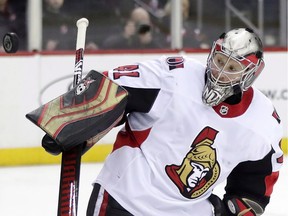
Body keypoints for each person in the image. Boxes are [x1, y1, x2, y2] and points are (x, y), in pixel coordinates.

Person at [41, 28, 283, 215]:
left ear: (250, 74)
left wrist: (232, 209)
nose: (220, 72)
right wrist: (78, 115)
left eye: (232, 67)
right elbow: (113, 86)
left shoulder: (263, 123)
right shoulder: (175, 76)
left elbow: (254, 188)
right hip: (124, 198)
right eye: (219, 61)